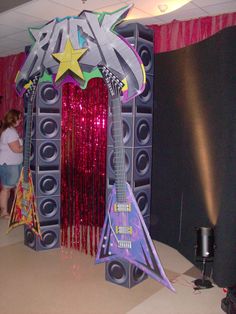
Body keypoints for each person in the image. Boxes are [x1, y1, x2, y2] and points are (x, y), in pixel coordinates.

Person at [0, 109, 23, 219]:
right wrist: (30, 146)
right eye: (19, 118)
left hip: (12, 163)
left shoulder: (10, 130)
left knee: (9, 188)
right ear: (13, 118)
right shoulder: (10, 132)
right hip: (9, 165)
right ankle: (4, 212)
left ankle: (11, 211)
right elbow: (17, 149)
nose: (20, 120)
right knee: (7, 189)